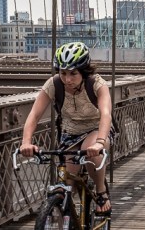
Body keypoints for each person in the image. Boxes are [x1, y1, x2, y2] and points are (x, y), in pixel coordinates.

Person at [19, 42, 114, 215]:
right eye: (63, 73)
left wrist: (100, 142)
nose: (67, 79)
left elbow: (106, 114)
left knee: (90, 151)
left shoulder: (97, 84)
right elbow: (34, 115)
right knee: (65, 186)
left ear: (83, 72)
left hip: (97, 130)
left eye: (73, 73)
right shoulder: (54, 84)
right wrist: (26, 142)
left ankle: (101, 192)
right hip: (70, 133)